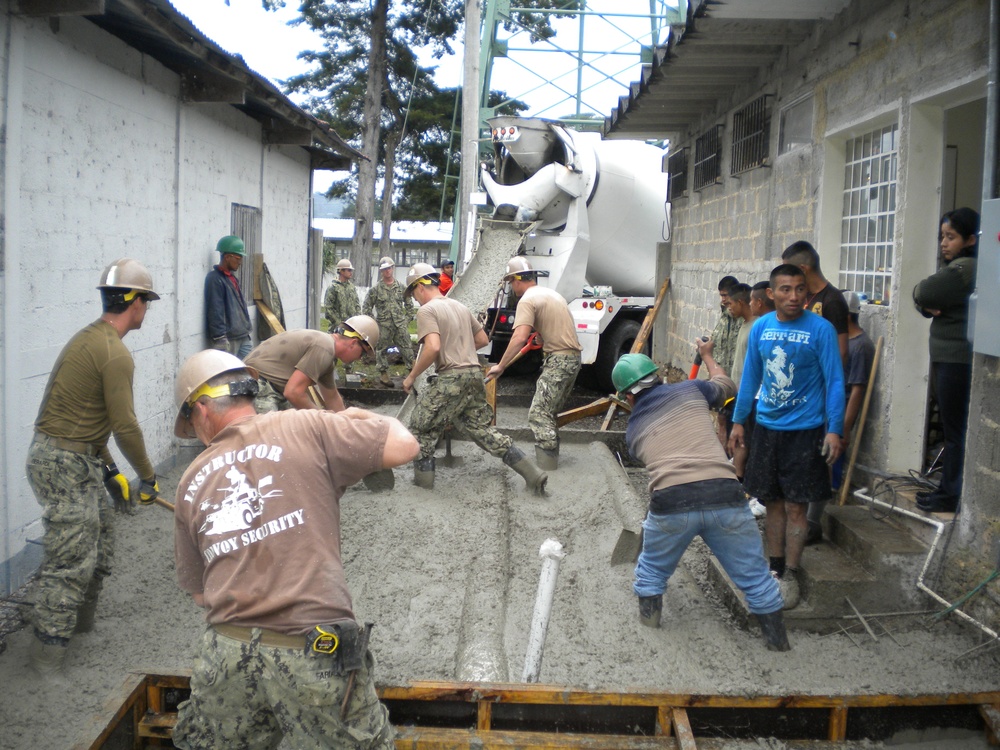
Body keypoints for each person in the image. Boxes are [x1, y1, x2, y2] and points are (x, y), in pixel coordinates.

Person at [170, 349, 419, 750]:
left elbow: (201, 593)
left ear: (200, 408)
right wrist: (355, 416)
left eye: (189, 420)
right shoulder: (305, 426)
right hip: (314, 652)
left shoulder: (190, 480)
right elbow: (405, 446)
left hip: (228, 656)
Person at [27, 258, 162, 676]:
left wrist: (108, 471)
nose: (147, 310)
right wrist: (147, 476)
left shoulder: (90, 340)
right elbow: (125, 425)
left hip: (78, 458)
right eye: (147, 302)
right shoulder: (114, 353)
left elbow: (87, 416)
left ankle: (78, 632)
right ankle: (44, 665)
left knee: (100, 547)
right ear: (135, 303)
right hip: (61, 463)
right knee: (70, 563)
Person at [613, 348, 789, 651]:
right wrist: (707, 356)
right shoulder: (693, 389)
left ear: (628, 397)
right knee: (757, 579)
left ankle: (650, 630)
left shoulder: (633, 432)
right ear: (657, 377)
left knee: (651, 572)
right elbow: (727, 385)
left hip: (672, 502)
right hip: (726, 494)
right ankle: (778, 644)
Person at [728, 264, 845, 610]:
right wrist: (738, 422)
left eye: (799, 289)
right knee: (772, 503)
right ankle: (774, 569)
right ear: (771, 294)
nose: (793, 296)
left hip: (805, 432)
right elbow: (750, 378)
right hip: (767, 429)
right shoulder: (761, 328)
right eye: (785, 289)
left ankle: (792, 572)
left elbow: (835, 381)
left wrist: (835, 429)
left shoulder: (821, 330)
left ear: (806, 292)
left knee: (797, 506)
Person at [401, 263, 547, 493]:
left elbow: (432, 347)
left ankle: (423, 486)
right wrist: (460, 346)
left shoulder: (427, 311)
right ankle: (533, 473)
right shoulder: (459, 306)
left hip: (450, 378)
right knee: (480, 430)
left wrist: (411, 377)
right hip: (473, 375)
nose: (415, 299)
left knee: (420, 429)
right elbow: (482, 340)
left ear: (420, 287)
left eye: (412, 293)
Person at [781, 241, 849, 544]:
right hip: (798, 395)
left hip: (820, 395)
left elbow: (841, 354)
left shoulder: (832, 301)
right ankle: (796, 513)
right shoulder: (806, 300)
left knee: (820, 455)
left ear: (804, 269)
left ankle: (812, 521)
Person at [912, 207, 979, 513]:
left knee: (955, 431)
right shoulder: (956, 269)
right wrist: (924, 302)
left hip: (956, 360)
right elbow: (924, 300)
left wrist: (922, 298)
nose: (944, 243)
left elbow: (925, 291)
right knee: (953, 429)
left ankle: (950, 494)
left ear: (969, 240)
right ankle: (946, 489)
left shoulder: (965, 268)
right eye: (942, 236)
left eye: (951, 237)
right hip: (947, 358)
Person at [486, 257, 582, 469]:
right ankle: (551, 459)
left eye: (511, 282)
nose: (512, 287)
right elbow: (556, 325)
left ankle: (547, 467)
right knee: (549, 412)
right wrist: (542, 337)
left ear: (518, 280)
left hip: (559, 360)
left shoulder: (527, 300)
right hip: (573, 359)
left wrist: (501, 366)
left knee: (538, 413)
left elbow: (519, 337)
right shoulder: (551, 294)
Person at [243, 316, 379, 413]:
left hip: (267, 386)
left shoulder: (327, 353)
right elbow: (293, 392)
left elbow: (332, 397)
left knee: (297, 427)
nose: (360, 359)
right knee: (274, 442)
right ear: (353, 343)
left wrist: (344, 425)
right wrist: (321, 418)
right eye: (362, 354)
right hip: (255, 384)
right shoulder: (324, 347)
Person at [830, 290, 876, 495]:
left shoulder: (860, 346)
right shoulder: (838, 340)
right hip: (827, 406)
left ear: (846, 316)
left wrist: (845, 427)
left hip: (841, 410)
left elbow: (858, 390)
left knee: (833, 457)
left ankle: (831, 493)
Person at [363, 256, 415, 386]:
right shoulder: (376, 290)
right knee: (381, 350)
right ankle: (384, 374)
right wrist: (374, 323)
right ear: (381, 271)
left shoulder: (401, 288)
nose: (387, 271)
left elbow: (409, 305)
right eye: (385, 269)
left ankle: (412, 373)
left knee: (407, 349)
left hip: (399, 325)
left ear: (393, 268)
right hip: (384, 326)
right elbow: (366, 307)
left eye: (390, 268)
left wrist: (406, 320)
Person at [204, 235, 253, 360]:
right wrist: (220, 338)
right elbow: (215, 309)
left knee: (249, 370)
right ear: (227, 257)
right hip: (230, 339)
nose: (240, 262)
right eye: (238, 258)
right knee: (229, 375)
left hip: (243, 335)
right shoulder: (215, 279)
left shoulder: (231, 278)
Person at [726, 283, 755, 483]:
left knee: (743, 437)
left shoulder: (756, 326)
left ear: (741, 302)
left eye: (731, 304)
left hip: (749, 393)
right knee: (737, 435)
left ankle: (740, 478)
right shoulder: (744, 324)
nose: (729, 308)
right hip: (738, 390)